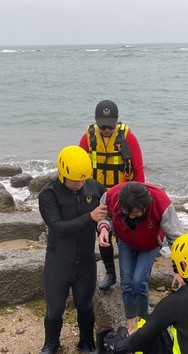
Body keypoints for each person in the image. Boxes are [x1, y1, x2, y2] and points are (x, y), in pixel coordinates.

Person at [37, 146, 108, 354]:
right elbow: (58, 227)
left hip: (85, 260)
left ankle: (86, 341)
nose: (80, 184)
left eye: (83, 179)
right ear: (62, 173)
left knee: (85, 305)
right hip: (59, 260)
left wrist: (104, 226)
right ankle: (51, 343)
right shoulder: (48, 194)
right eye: (75, 180)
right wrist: (90, 217)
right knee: (55, 309)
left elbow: (107, 210)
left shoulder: (93, 187)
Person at [96, 181, 183, 335]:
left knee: (139, 281)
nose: (131, 215)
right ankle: (131, 325)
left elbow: (175, 238)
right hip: (125, 240)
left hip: (150, 244)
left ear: (145, 206)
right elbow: (104, 216)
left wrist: (179, 269)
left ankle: (144, 321)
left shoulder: (160, 202)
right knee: (127, 282)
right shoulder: (111, 196)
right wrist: (103, 228)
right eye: (127, 212)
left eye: (135, 212)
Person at [79, 100, 146, 291]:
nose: (106, 129)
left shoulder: (128, 138)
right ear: (95, 120)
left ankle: (132, 270)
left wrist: (140, 198)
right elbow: (79, 169)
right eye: (102, 125)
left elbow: (139, 169)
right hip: (98, 195)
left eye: (110, 124)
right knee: (103, 233)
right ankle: (110, 273)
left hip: (125, 195)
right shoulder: (87, 139)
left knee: (130, 233)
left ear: (117, 120)